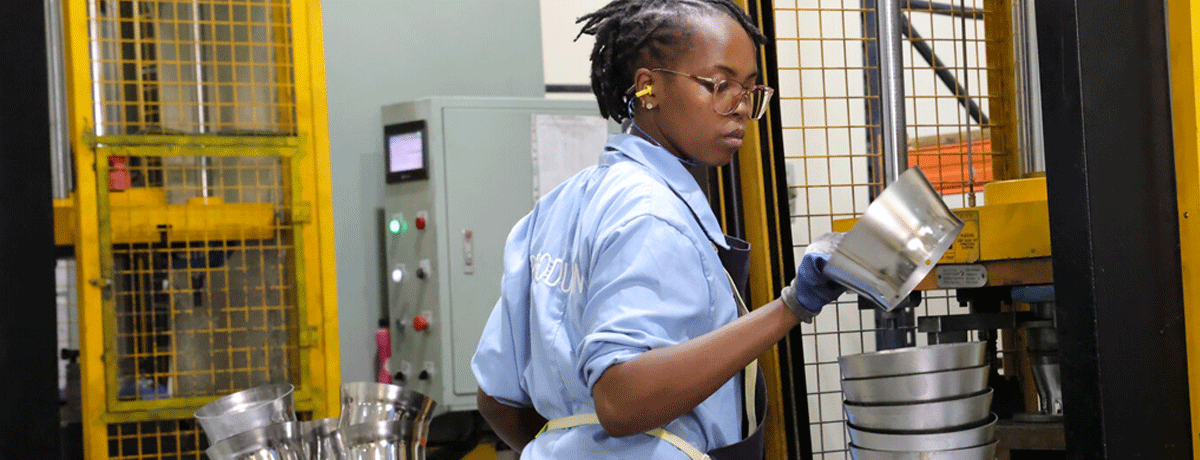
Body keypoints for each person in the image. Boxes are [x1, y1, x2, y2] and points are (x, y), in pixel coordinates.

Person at [470, 1, 846, 458]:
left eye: (750, 90)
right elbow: (622, 401)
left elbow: (496, 398)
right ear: (648, 88)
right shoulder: (651, 214)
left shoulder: (556, 206)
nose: (741, 108)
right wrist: (792, 306)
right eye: (720, 85)